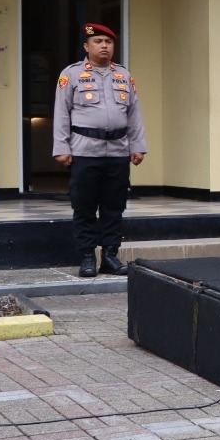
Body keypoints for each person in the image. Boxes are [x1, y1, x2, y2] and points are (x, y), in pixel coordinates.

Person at [53, 23, 145, 278]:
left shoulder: (124, 75)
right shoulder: (71, 75)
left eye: (109, 42)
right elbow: (61, 113)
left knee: (114, 207)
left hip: (117, 151)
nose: (104, 45)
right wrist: (62, 147)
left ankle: (110, 256)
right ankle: (86, 257)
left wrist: (137, 146)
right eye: (98, 41)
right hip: (84, 150)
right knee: (84, 206)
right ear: (86, 46)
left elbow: (134, 114)